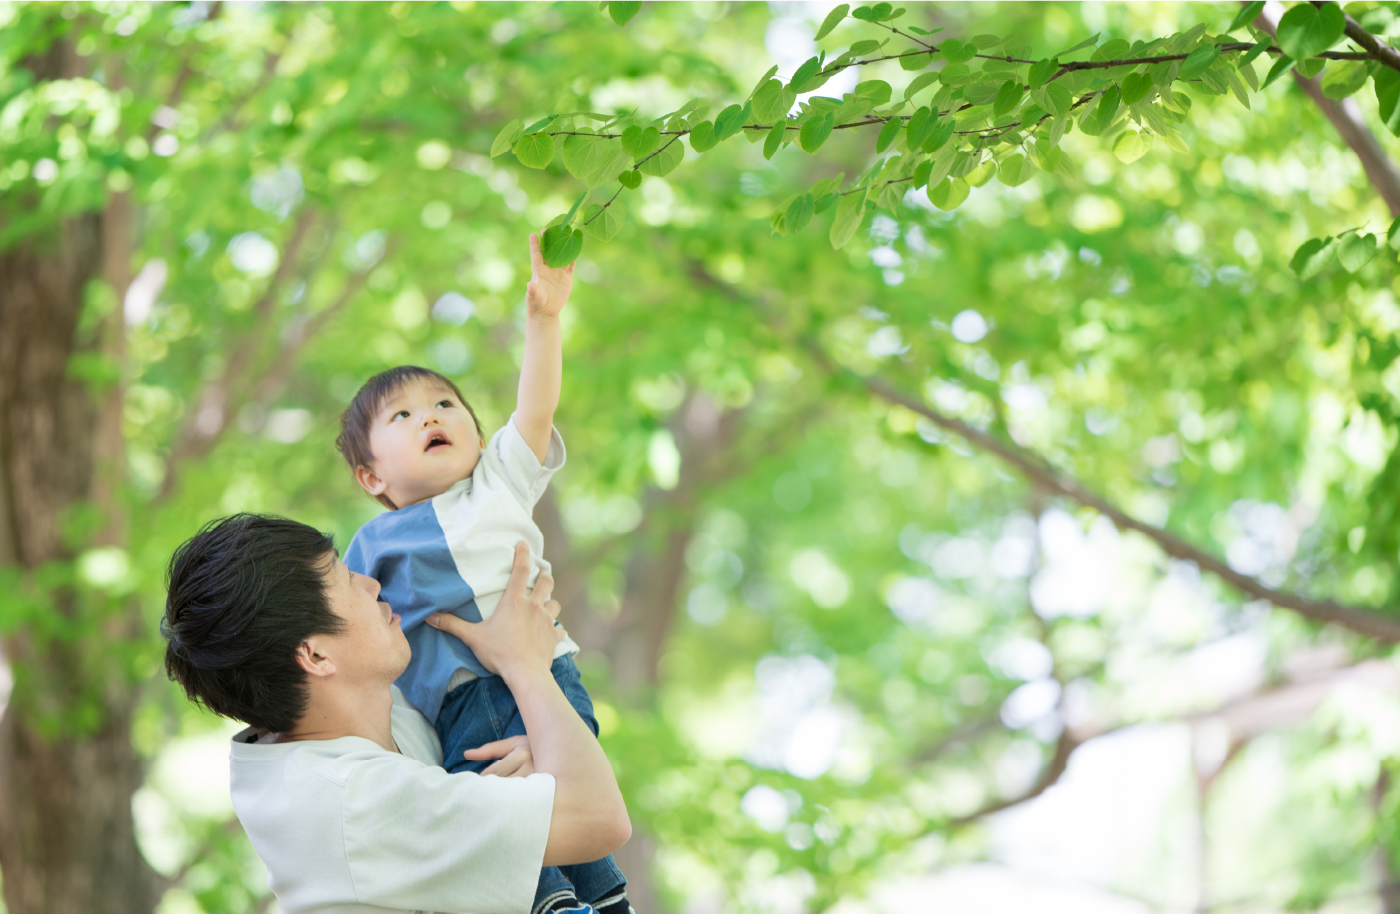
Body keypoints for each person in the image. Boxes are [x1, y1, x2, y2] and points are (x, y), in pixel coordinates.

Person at [333, 234, 627, 914]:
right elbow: (344, 629)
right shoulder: (370, 545)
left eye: (443, 404)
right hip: (458, 703)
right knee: (494, 801)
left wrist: (545, 319)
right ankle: (549, 901)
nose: (430, 417)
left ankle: (597, 897)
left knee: (564, 798)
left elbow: (535, 409)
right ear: (371, 475)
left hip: (549, 674)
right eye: (402, 416)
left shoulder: (497, 482)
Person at [162, 513, 630, 914]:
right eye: (344, 579)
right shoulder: (352, 803)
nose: (371, 583)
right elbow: (601, 820)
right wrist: (526, 667)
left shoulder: (376, 715)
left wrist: (545, 757)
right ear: (317, 655)